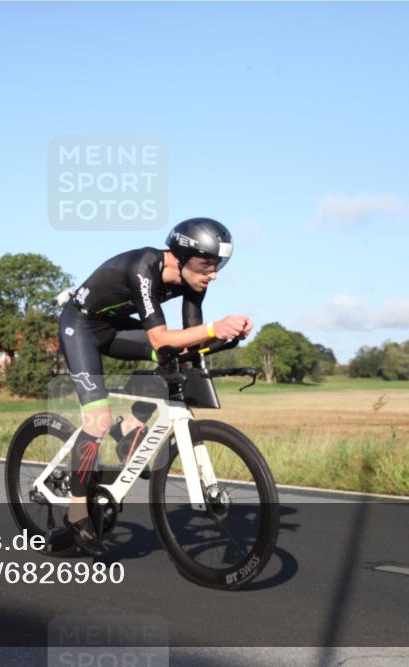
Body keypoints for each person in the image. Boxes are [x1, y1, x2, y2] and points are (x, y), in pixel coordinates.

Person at [58, 217, 254, 556]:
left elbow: (191, 340)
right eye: (207, 264)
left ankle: (131, 425)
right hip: (81, 327)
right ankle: (76, 513)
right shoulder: (143, 268)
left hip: (114, 327)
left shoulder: (195, 281)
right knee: (98, 420)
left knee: (176, 355)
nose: (213, 274)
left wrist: (226, 338)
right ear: (181, 255)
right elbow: (161, 337)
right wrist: (214, 328)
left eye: (218, 265)